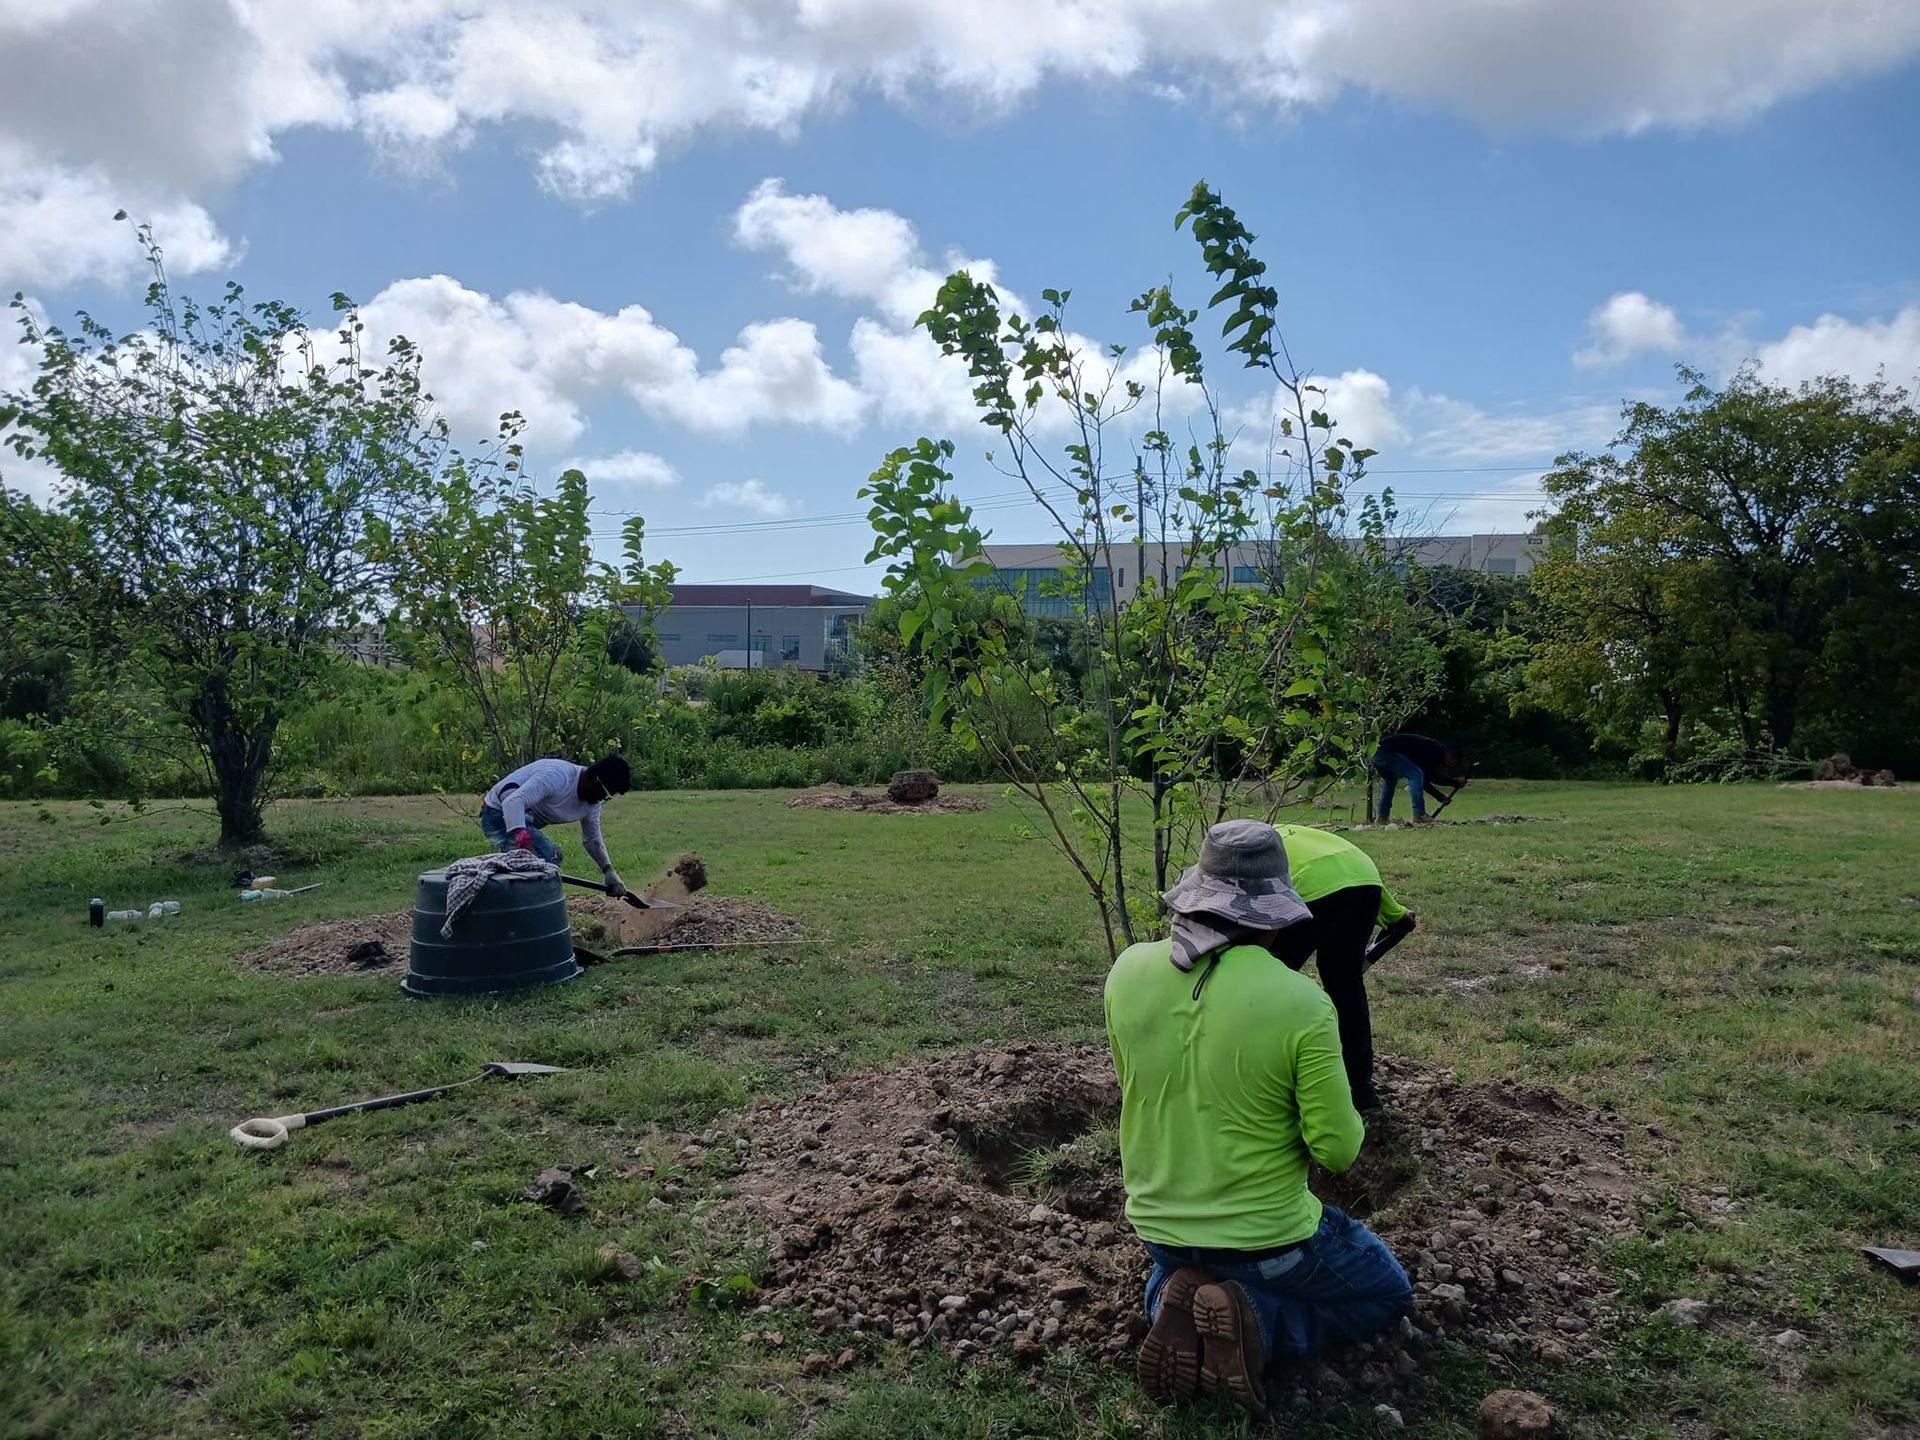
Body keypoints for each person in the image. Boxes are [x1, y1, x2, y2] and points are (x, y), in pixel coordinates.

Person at [1105, 820, 1413, 1417]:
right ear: (1276, 910)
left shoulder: (1127, 972)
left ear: (1198, 891)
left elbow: (1137, 1085)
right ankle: (1259, 1322)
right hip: (1269, 1238)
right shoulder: (1300, 1002)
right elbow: (1338, 1151)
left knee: (1180, 1274)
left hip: (1160, 1226)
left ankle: (1171, 1295)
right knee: (1384, 1292)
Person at [1272, 825, 1416, 1113]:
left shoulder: (1246, 850)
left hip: (1310, 888)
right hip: (1364, 877)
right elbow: (1403, 920)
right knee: (1345, 986)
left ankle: (1275, 1081)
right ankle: (1360, 1091)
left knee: (1268, 982)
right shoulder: (1290, 837)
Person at [479, 755, 632, 896]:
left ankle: (513, 900)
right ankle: (533, 906)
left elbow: (592, 839)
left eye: (608, 797)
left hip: (525, 817)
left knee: (536, 862)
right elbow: (512, 802)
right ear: (594, 779)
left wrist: (609, 871)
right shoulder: (557, 775)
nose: (602, 799)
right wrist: (523, 840)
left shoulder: (592, 802)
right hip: (496, 812)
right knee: (547, 857)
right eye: (605, 793)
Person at [1371, 731, 1465, 823]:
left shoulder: (1435, 750)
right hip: (1385, 751)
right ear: (1449, 754)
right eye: (1452, 763)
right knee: (1415, 774)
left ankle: (1382, 816)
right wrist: (1454, 782)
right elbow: (1431, 777)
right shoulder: (1435, 751)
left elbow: (1423, 781)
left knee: (1391, 779)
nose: (1450, 765)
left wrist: (1440, 797)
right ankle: (1419, 814)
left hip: (1375, 752)